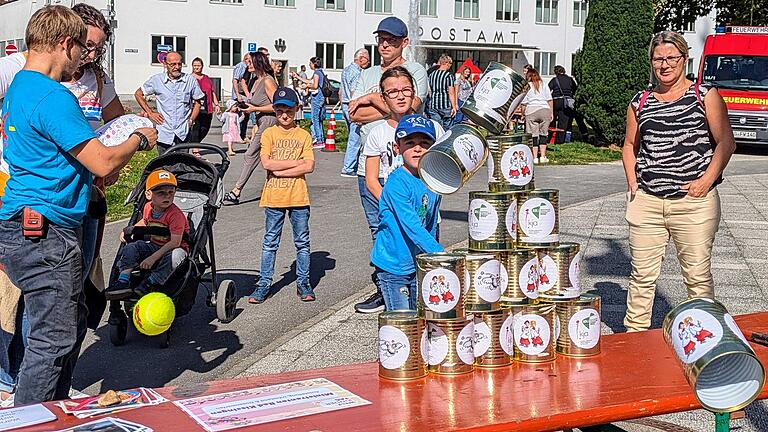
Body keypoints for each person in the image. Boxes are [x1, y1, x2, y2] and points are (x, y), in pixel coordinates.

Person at [0, 5, 157, 404]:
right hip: (46, 230)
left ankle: (53, 409)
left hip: (28, 223)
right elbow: (102, 160)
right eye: (82, 51)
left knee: (68, 322)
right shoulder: (52, 96)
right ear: (65, 44)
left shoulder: (19, 85)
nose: (85, 60)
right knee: (52, 338)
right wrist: (138, 137)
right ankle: (31, 419)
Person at [622, 31, 735, 332]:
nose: (664, 65)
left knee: (697, 276)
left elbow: (726, 142)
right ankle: (634, 340)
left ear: (684, 59)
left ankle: (707, 339)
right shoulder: (640, 101)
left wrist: (706, 180)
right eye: (658, 59)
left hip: (694, 203)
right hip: (648, 202)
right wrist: (633, 184)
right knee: (642, 277)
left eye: (671, 58)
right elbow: (629, 146)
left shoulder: (704, 95)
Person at [349, 16, 428, 314]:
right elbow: (354, 115)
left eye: (391, 41)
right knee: (379, 230)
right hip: (371, 167)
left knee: (413, 226)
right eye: (381, 39)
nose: (384, 45)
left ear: (404, 43)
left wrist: (372, 98)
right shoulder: (368, 72)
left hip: (406, 168)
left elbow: (411, 109)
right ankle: (384, 288)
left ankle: (416, 285)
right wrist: (383, 108)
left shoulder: (416, 71)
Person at [247, 87, 316, 304]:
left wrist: (281, 169)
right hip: (274, 196)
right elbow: (267, 163)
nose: (284, 115)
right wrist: (297, 164)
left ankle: (303, 282)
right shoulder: (269, 133)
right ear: (275, 111)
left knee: (302, 243)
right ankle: (264, 283)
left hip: (298, 197)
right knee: (270, 241)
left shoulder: (303, 135)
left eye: (288, 110)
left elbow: (310, 166)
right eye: (279, 111)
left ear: (297, 109)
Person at [370, 114, 443, 310]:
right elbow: (412, 226)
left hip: (416, 262)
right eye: (409, 142)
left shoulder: (433, 181)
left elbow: (431, 222)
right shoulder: (397, 183)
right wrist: (440, 254)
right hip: (393, 265)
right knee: (401, 321)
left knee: (419, 317)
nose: (417, 148)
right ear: (397, 148)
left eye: (424, 142)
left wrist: (430, 258)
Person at [364, 67, 444, 206]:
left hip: (426, 207)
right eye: (393, 92)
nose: (400, 97)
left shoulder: (433, 127)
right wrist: (393, 204)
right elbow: (371, 180)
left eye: (406, 90)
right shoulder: (378, 133)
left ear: (413, 93)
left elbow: (443, 168)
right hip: (392, 207)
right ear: (383, 98)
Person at [106, 170, 189, 300]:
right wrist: (130, 229)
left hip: (173, 249)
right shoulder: (148, 207)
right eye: (161, 193)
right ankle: (123, 280)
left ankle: (151, 282)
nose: (167, 196)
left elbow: (175, 242)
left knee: (177, 254)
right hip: (155, 245)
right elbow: (145, 221)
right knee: (132, 247)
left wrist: (153, 258)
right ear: (148, 194)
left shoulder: (175, 215)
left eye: (170, 192)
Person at [223, 51, 278, 205]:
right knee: (268, 156)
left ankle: (236, 190)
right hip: (261, 121)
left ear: (258, 62)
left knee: (250, 154)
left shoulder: (268, 81)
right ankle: (273, 187)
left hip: (269, 122)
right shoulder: (256, 80)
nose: (247, 64)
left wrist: (253, 109)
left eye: (250, 61)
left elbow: (277, 105)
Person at [135, 51, 204, 154]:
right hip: (164, 131)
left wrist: (191, 120)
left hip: (182, 131)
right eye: (173, 64)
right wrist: (150, 113)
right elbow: (138, 94)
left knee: (182, 165)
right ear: (165, 64)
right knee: (164, 165)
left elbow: (198, 102)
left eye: (179, 64)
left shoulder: (190, 80)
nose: (177, 67)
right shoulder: (157, 80)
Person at [340, 48, 370, 177]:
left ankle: (351, 165)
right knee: (355, 139)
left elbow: (341, 91)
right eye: (367, 60)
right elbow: (354, 92)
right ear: (361, 58)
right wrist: (357, 108)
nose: (368, 63)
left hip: (345, 104)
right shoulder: (357, 72)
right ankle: (349, 167)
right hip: (353, 105)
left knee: (352, 136)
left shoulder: (346, 70)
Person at [520, 67, 553, 164]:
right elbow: (550, 100)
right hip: (544, 110)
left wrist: (523, 114)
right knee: (543, 134)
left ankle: (534, 157)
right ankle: (542, 156)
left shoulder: (527, 87)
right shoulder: (544, 85)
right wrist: (551, 112)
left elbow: (524, 103)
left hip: (531, 110)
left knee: (533, 135)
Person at [293, 57, 326, 148]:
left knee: (315, 119)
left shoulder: (316, 73)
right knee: (318, 119)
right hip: (320, 97)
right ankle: (321, 139)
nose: (309, 65)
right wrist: (298, 77)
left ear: (314, 64)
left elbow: (315, 86)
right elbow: (310, 81)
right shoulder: (320, 72)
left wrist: (306, 86)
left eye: (310, 63)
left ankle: (319, 140)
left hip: (317, 97)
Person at [189, 57, 222, 147]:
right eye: (194, 65)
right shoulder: (189, 78)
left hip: (207, 107)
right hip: (194, 107)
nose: (196, 67)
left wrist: (217, 104)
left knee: (205, 128)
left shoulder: (207, 78)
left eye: (198, 65)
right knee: (196, 127)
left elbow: (212, 92)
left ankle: (192, 143)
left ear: (202, 66)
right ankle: (196, 148)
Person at [426, 54, 458, 129]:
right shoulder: (448, 75)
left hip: (433, 104)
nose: (450, 66)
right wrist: (454, 107)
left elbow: (430, 90)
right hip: (445, 105)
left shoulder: (432, 74)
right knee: (447, 128)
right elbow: (451, 92)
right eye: (450, 64)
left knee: (437, 127)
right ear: (447, 63)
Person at [548, 65, 577, 144]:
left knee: (552, 120)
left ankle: (550, 138)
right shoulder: (570, 80)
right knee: (563, 122)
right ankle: (560, 140)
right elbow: (575, 90)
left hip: (555, 102)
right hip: (566, 103)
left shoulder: (554, 80)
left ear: (556, 72)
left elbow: (548, 90)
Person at [231, 53, 251, 140]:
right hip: (239, 95)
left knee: (246, 116)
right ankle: (238, 135)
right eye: (249, 60)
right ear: (246, 59)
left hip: (244, 95)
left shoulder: (248, 68)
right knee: (240, 116)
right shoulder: (240, 66)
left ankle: (242, 135)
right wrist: (237, 95)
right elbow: (235, 81)